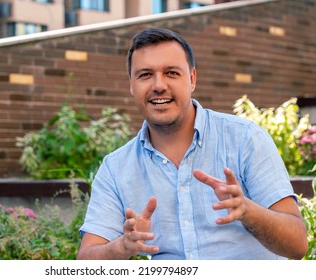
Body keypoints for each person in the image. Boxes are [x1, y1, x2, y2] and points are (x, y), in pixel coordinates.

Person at [76, 27, 308, 260]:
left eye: (171, 73)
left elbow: (297, 245)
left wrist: (248, 211)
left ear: (192, 79)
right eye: (145, 75)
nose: (158, 85)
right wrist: (122, 246)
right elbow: (85, 262)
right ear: (131, 85)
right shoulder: (116, 168)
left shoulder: (246, 139)